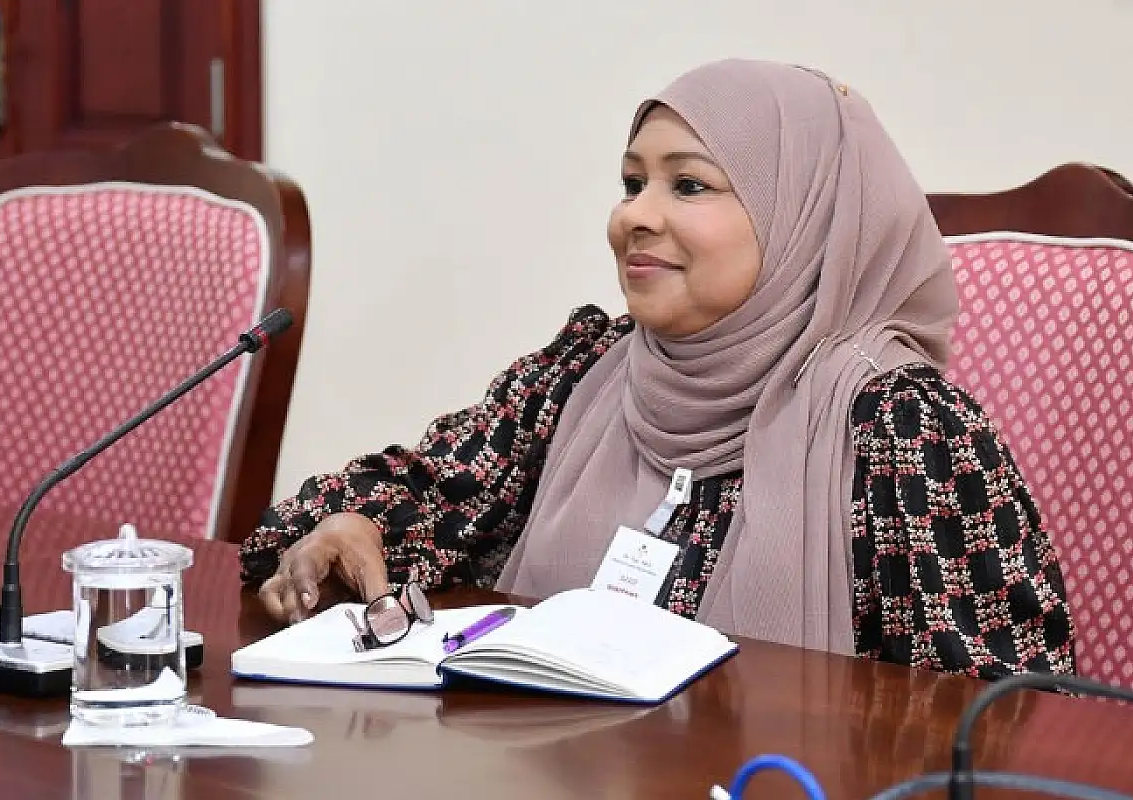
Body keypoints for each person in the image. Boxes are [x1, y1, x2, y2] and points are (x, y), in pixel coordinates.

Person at [240, 59, 1077, 679]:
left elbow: (999, 723)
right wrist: (356, 530)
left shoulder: (902, 432)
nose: (633, 216)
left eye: (689, 185)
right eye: (632, 181)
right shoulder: (582, 375)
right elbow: (390, 504)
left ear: (803, 219)